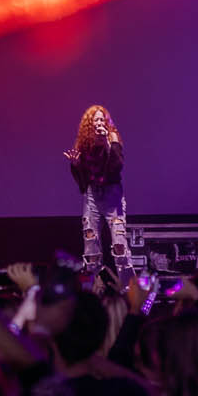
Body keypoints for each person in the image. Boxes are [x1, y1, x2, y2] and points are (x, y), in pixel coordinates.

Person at [64, 103, 130, 275]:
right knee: (91, 245)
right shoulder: (84, 144)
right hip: (92, 195)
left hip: (113, 196)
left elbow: (117, 167)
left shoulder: (113, 138)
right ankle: (95, 285)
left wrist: (108, 143)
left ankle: (128, 286)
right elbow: (83, 178)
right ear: (90, 123)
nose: (99, 123)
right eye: (96, 120)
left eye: (102, 120)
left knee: (119, 243)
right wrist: (76, 165)